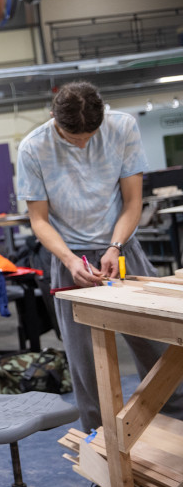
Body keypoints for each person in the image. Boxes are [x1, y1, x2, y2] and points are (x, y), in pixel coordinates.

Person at [16, 81, 183, 434]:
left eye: (90, 135)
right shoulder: (33, 149)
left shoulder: (122, 127)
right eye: (72, 138)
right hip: (69, 261)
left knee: (160, 349)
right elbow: (39, 220)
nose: (82, 144)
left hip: (122, 251)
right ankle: (100, 447)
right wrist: (70, 260)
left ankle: (175, 432)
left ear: (102, 117)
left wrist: (115, 246)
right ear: (53, 118)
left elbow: (133, 202)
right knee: (86, 365)